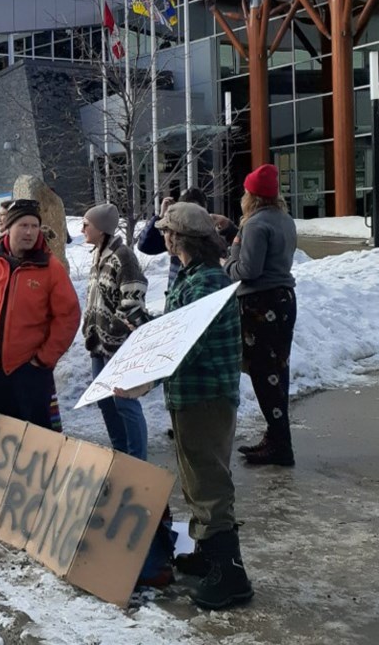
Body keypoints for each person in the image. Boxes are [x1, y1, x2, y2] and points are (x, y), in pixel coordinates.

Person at [119, 202, 252, 610]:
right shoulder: (194, 277)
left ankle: (230, 575)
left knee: (209, 482)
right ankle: (209, 553)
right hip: (192, 394)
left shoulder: (204, 283)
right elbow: (176, 329)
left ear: (180, 238)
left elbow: (184, 345)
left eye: (167, 232)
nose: (163, 238)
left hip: (205, 395)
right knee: (196, 478)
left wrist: (144, 377)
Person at [0, 200, 80, 427]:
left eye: (34, 226)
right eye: (23, 225)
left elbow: (68, 316)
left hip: (30, 368)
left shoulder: (50, 267)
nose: (30, 232)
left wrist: (43, 358)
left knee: (34, 436)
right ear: (8, 228)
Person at [224, 164, 298, 466]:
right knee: (277, 371)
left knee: (264, 375)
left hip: (260, 306)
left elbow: (247, 271)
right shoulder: (284, 220)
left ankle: (280, 447)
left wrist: (227, 262)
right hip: (283, 301)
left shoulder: (255, 225)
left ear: (251, 195)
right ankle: (277, 437)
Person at [81, 203, 150, 460]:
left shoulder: (123, 255)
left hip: (118, 345)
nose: (82, 228)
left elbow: (134, 297)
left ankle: (136, 459)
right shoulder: (98, 255)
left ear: (101, 228)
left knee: (124, 403)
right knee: (105, 402)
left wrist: (115, 329)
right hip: (97, 345)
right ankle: (120, 454)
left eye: (87, 224)